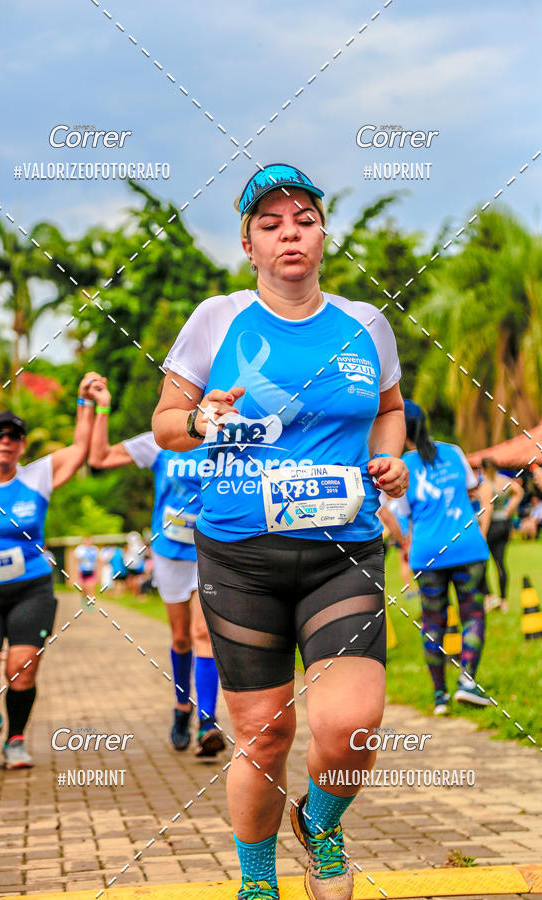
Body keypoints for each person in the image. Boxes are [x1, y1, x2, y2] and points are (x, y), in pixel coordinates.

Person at [152, 163, 408, 900]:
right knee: (265, 736)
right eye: (270, 224)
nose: (288, 233)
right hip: (240, 556)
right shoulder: (217, 319)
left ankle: (321, 825)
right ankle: (258, 881)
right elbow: (165, 425)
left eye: (303, 220)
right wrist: (200, 417)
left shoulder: (366, 324)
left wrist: (389, 458)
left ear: (323, 235)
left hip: (342, 551)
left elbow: (390, 409)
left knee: (351, 725)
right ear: (249, 245)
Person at [0, 372, 103, 769]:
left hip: (31, 589)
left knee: (21, 670)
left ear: (22, 445)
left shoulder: (37, 477)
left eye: (14, 436)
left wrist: (86, 401)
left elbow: (80, 448)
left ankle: (16, 738)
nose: (6, 442)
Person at [88, 385, 225, 758]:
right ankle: (182, 708)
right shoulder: (161, 439)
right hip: (169, 552)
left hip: (211, 549)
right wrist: (102, 408)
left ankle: (208, 722)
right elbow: (99, 457)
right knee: (181, 638)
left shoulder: (227, 436)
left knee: (203, 633)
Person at [388, 401, 491, 717]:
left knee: (433, 623)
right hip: (468, 546)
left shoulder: (403, 466)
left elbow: (401, 513)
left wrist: (403, 543)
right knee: (473, 614)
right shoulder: (454, 452)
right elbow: (473, 490)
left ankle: (440, 696)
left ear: (401, 429)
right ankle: (467, 682)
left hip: (428, 554)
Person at [478, 458, 523, 612]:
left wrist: (483, 533)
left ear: (483, 469)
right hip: (504, 523)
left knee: (481, 563)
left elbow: (487, 509)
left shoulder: (486, 485)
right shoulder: (504, 480)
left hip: (492, 526)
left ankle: (490, 597)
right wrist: (508, 509)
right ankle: (503, 601)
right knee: (500, 563)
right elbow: (519, 491)